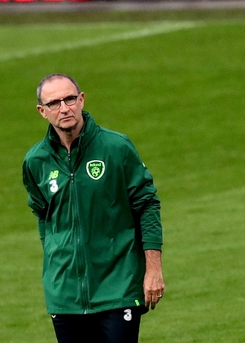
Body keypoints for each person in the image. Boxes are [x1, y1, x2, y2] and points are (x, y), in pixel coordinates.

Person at [22, 73, 164, 343]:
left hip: (117, 286)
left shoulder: (116, 148)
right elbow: (43, 215)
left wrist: (153, 269)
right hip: (65, 295)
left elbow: (147, 205)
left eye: (70, 99)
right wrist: (57, 259)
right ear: (42, 111)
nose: (64, 108)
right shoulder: (35, 161)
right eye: (54, 103)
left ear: (82, 99)